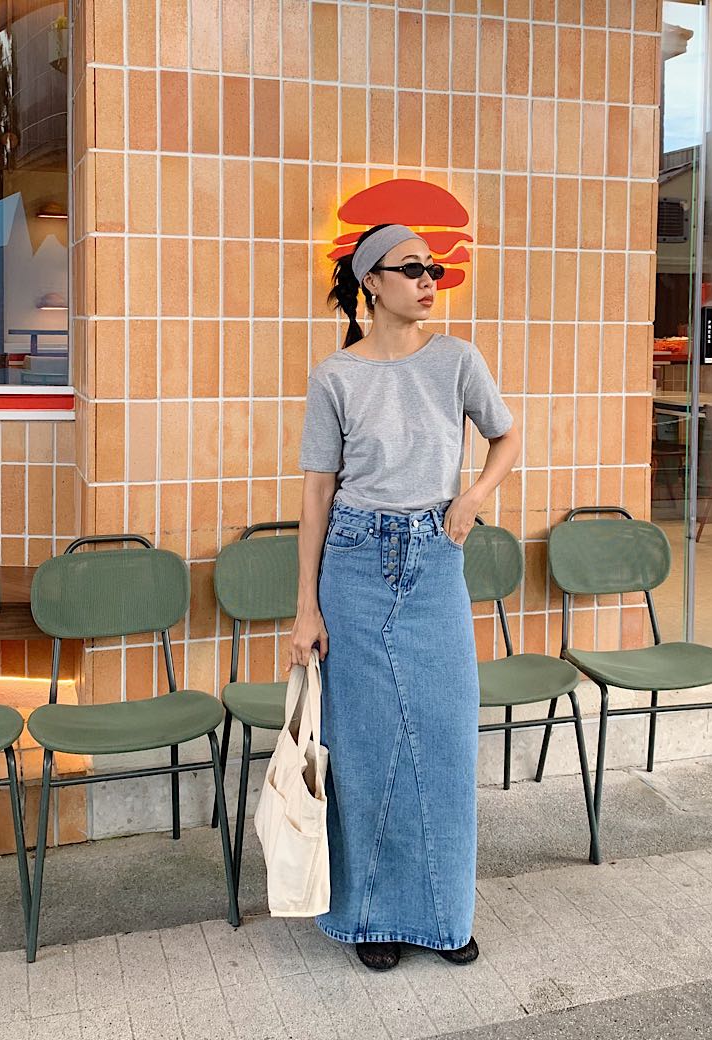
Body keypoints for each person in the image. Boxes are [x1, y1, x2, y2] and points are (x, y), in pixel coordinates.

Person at [291, 223, 520, 971]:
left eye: (436, 268)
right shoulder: (335, 376)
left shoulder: (457, 360)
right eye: (413, 268)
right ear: (373, 284)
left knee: (448, 739)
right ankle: (371, 918)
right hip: (353, 564)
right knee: (364, 747)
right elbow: (317, 494)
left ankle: (444, 915)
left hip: (434, 558)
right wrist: (306, 607)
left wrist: (475, 496)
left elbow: (507, 437)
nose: (430, 279)